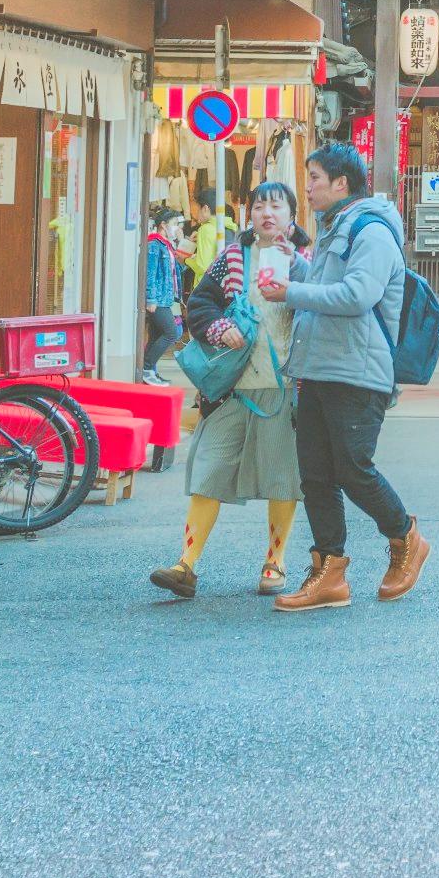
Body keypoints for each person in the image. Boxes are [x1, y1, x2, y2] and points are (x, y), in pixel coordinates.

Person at [269, 143, 427, 612]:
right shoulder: (333, 227)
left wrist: (290, 289)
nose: (309, 186)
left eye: (315, 177)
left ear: (342, 183)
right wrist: (297, 265)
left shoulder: (372, 229)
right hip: (317, 366)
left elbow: (358, 295)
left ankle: (406, 539)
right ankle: (329, 571)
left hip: (358, 370)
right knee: (316, 474)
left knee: (353, 469)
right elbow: (326, 288)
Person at [149, 181, 305, 600]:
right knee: (209, 470)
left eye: (276, 206)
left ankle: (275, 561)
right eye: (258, 207)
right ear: (248, 214)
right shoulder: (232, 257)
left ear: (292, 214)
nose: (266, 213)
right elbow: (200, 303)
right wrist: (220, 327)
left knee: (281, 477)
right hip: (232, 388)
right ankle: (186, 564)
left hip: (283, 388)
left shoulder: (305, 261)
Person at [139, 204, 189, 383]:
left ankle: (149, 371)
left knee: (155, 335)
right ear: (163, 225)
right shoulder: (154, 244)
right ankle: (145, 368)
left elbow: (177, 270)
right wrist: (150, 298)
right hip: (158, 299)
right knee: (172, 332)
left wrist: (183, 245)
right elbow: (149, 273)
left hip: (166, 298)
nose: (177, 228)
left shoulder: (167, 245)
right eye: (174, 223)